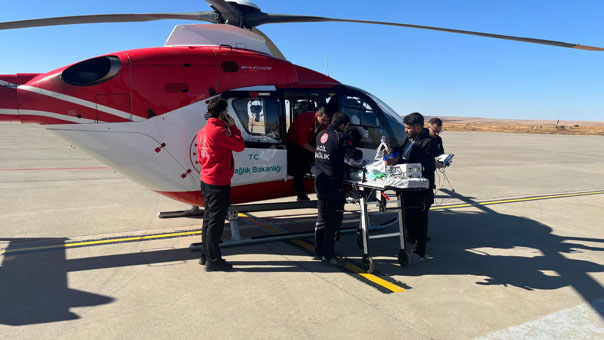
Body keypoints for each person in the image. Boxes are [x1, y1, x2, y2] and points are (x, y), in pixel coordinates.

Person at [196, 97, 245, 271]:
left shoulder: (203, 130)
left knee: (208, 219)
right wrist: (233, 127)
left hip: (207, 179)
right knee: (215, 223)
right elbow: (239, 146)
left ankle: (205, 255)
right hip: (218, 182)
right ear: (223, 113)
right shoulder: (219, 132)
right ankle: (213, 260)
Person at [388, 112, 439, 262]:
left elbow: (425, 165)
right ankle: (411, 243)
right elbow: (403, 152)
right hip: (406, 187)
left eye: (408, 128)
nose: (405, 130)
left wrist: (400, 162)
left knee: (420, 220)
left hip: (420, 190)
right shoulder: (410, 139)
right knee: (407, 218)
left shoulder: (428, 143)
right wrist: (392, 154)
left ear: (417, 128)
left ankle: (420, 251)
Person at [314, 112, 362, 265]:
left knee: (322, 218)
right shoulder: (340, 136)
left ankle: (319, 251)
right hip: (334, 184)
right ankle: (329, 255)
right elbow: (354, 155)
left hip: (320, 182)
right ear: (343, 125)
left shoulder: (321, 134)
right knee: (333, 221)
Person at [286, 107, 331, 201]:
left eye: (327, 121)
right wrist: (317, 152)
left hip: (309, 140)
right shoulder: (305, 121)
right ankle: (301, 195)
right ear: (317, 116)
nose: (325, 123)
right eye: (323, 120)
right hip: (294, 142)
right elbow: (302, 142)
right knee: (298, 168)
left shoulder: (323, 123)